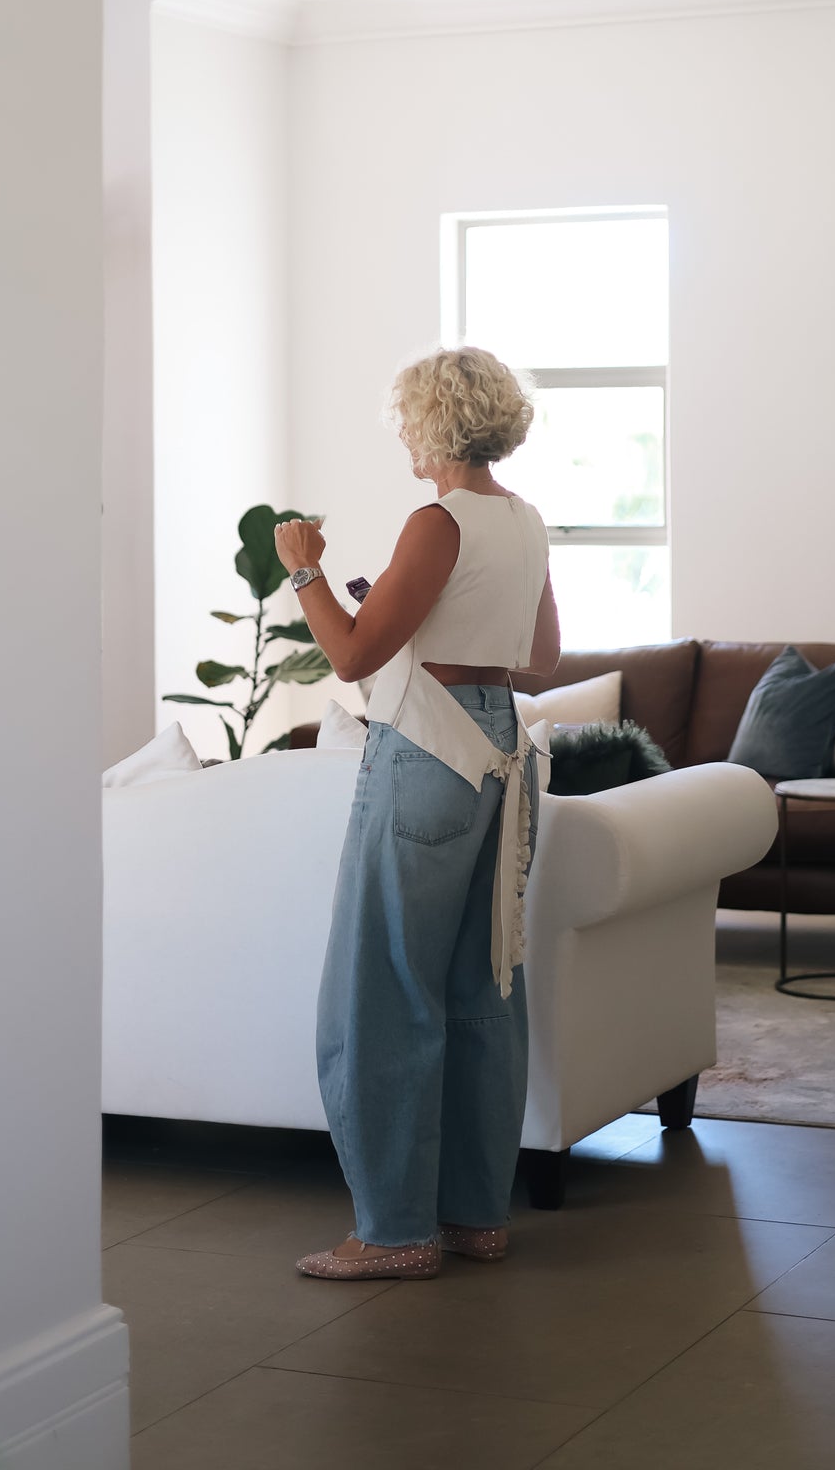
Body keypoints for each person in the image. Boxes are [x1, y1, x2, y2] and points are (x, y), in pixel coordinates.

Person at [276, 345, 560, 1281]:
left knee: (382, 992)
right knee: (483, 986)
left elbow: (352, 659)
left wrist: (305, 573)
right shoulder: (523, 521)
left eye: (405, 418)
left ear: (437, 423)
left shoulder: (436, 520)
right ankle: (475, 1215)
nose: (400, 433)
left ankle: (394, 1232)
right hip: (497, 744)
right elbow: (540, 654)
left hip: (427, 750)